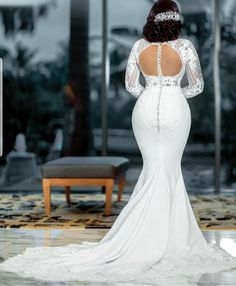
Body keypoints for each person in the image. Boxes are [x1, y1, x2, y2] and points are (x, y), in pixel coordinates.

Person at [0, 0, 236, 284]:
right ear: (176, 20)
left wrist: (153, 93)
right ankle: (165, 236)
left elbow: (132, 86)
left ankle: (144, 234)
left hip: (145, 110)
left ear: (152, 19)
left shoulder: (139, 46)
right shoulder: (185, 46)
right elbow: (196, 86)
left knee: (153, 169)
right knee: (169, 169)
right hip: (175, 109)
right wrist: (172, 93)